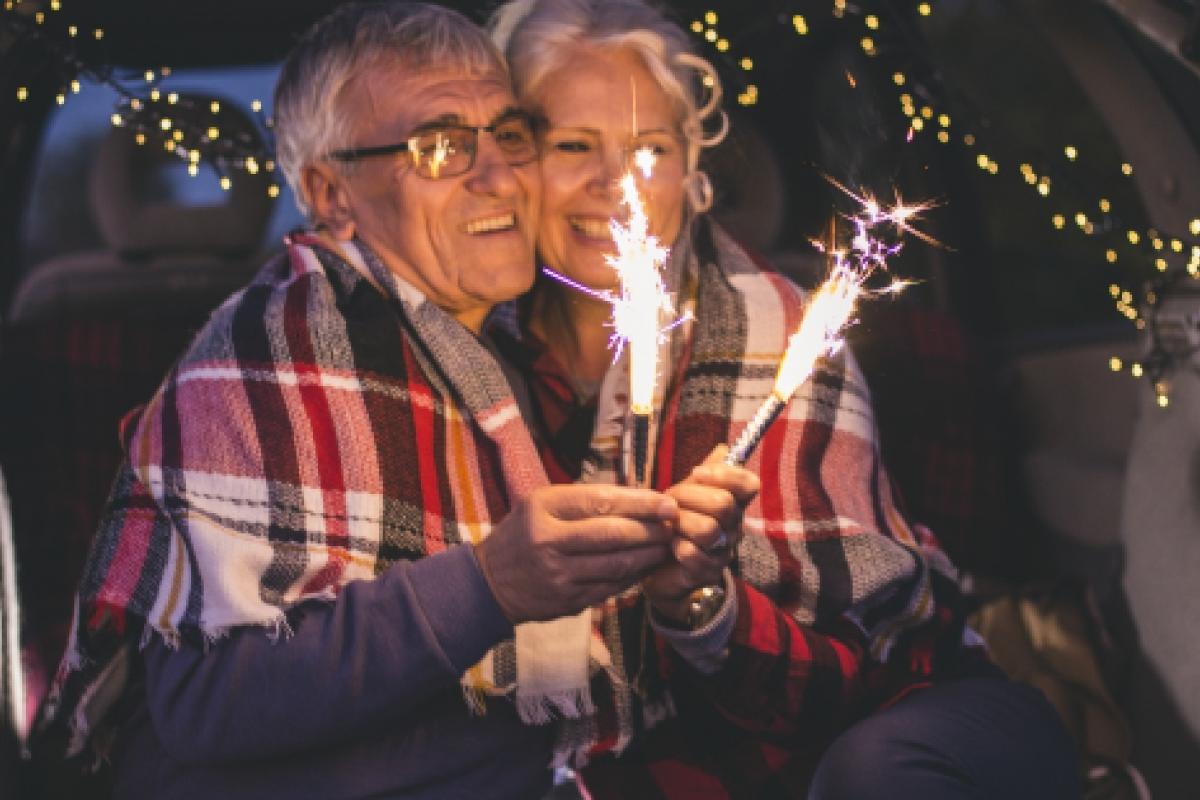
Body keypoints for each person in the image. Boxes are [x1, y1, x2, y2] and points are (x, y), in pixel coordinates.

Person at [29, 4, 756, 798]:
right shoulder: (264, 360)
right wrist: (491, 586)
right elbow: (204, 706)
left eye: (509, 135)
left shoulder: (512, 358)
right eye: (439, 147)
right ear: (329, 192)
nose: (500, 177)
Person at [488, 0, 1082, 796]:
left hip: (880, 706)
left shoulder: (775, 328)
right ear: (514, 163)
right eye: (571, 145)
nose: (615, 184)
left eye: (650, 148)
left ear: (694, 175)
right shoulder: (479, 358)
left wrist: (704, 603)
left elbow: (863, 648)